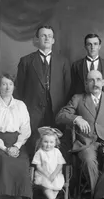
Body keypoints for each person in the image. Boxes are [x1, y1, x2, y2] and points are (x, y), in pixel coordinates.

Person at [56, 70, 104, 199]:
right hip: (86, 143)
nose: (95, 83)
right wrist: (76, 119)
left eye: (98, 79)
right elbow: (60, 116)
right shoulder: (78, 98)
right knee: (88, 161)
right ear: (86, 83)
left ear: (103, 82)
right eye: (91, 80)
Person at [15, 25, 72, 160]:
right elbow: (19, 89)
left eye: (49, 36)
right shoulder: (26, 61)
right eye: (43, 35)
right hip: (33, 112)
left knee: (56, 148)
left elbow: (68, 88)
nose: (47, 38)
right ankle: (33, 177)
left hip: (56, 112)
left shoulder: (63, 62)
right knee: (33, 146)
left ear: (53, 41)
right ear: (36, 40)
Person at [32, 126, 66, 199]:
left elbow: (60, 164)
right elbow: (38, 166)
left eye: (51, 142)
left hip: (55, 174)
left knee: (57, 185)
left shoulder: (57, 152)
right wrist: (47, 174)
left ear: (55, 143)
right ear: (41, 142)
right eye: (46, 142)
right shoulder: (40, 152)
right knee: (46, 186)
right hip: (43, 174)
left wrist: (54, 174)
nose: (48, 144)